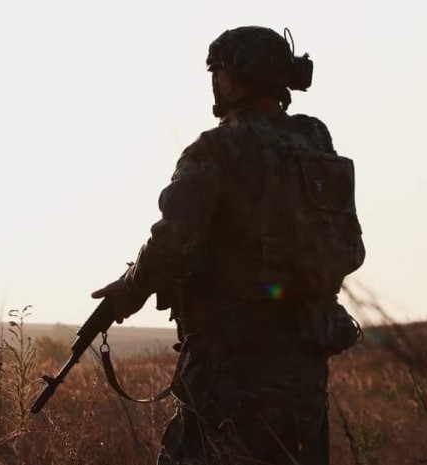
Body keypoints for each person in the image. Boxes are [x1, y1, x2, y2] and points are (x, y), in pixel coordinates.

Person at [92, 26, 365, 465]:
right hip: (305, 360)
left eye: (218, 72)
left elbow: (171, 245)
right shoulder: (314, 141)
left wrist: (129, 288)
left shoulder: (216, 149)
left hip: (234, 365)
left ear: (232, 78)